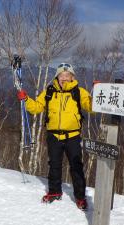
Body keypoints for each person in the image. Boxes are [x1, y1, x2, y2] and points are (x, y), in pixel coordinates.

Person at [17, 63, 92, 210]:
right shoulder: (49, 91)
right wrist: (26, 100)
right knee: (54, 165)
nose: (64, 78)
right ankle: (54, 191)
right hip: (54, 136)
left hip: (73, 136)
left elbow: (91, 107)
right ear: (57, 76)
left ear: (72, 77)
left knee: (76, 166)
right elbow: (37, 108)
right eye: (61, 75)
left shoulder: (79, 92)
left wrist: (98, 95)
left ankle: (80, 197)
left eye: (67, 75)